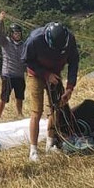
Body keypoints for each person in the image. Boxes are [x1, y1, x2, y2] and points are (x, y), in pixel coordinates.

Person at [23, 21, 80, 162]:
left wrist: (69, 88)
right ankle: (33, 150)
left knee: (57, 106)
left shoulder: (70, 39)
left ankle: (51, 142)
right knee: (37, 110)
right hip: (36, 74)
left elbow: (74, 61)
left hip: (55, 74)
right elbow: (26, 60)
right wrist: (46, 74)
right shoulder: (34, 39)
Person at [0, 11, 26, 119]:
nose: (17, 35)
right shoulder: (6, 42)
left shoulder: (23, 45)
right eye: (15, 33)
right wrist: (1, 20)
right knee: (4, 97)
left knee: (20, 97)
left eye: (19, 33)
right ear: (11, 33)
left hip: (19, 75)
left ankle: (19, 114)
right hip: (8, 74)